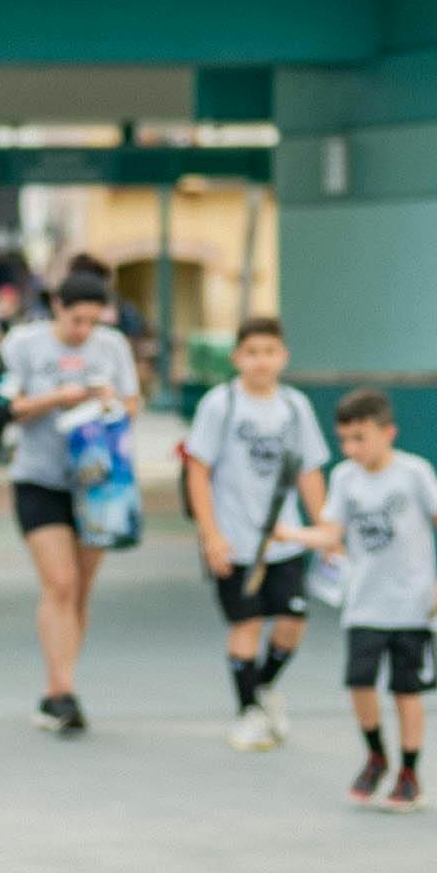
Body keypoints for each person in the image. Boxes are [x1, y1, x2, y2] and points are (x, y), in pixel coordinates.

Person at [0, 261, 136, 734]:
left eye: (93, 322)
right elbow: (9, 405)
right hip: (40, 478)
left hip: (97, 482)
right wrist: (59, 398)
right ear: (58, 308)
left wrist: (109, 403)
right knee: (59, 582)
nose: (84, 331)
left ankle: (63, 683)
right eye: (77, 320)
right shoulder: (25, 345)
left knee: (80, 590)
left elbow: (131, 404)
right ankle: (60, 692)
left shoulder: (112, 347)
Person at [306, 387, 437, 813]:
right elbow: (330, 534)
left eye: (360, 438)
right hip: (363, 604)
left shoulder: (415, 473)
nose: (351, 448)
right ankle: (376, 756)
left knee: (405, 691)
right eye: (344, 440)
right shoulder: (343, 478)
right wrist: (292, 535)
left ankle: (409, 772)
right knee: (359, 682)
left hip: (413, 605)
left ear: (387, 432)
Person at [184, 315, 330, 752]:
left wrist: (323, 530)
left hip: (282, 539)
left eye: (269, 352)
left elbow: (309, 470)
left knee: (292, 620)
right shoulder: (220, 404)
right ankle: (248, 711)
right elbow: (198, 470)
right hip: (233, 536)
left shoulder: (294, 407)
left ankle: (263, 688)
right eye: (252, 353)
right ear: (237, 358)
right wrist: (211, 535)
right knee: (246, 623)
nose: (261, 362)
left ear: (283, 357)